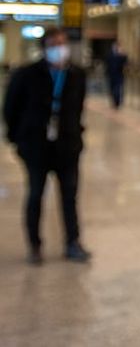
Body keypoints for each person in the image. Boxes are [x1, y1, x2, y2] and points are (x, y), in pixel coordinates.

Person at [3, 26, 91, 264]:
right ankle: (35, 244)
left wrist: (77, 137)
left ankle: (72, 242)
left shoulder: (76, 75)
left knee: (69, 196)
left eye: (62, 44)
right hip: (36, 148)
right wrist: (17, 139)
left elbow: (78, 109)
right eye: (54, 45)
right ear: (44, 48)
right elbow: (10, 109)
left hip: (67, 147)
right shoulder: (27, 74)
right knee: (35, 195)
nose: (59, 50)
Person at [105, 41, 128, 109]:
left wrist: (121, 53)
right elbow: (107, 63)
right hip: (111, 75)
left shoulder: (121, 55)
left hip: (119, 75)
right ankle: (114, 101)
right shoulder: (109, 54)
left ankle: (117, 102)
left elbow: (126, 60)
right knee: (112, 89)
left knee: (118, 89)